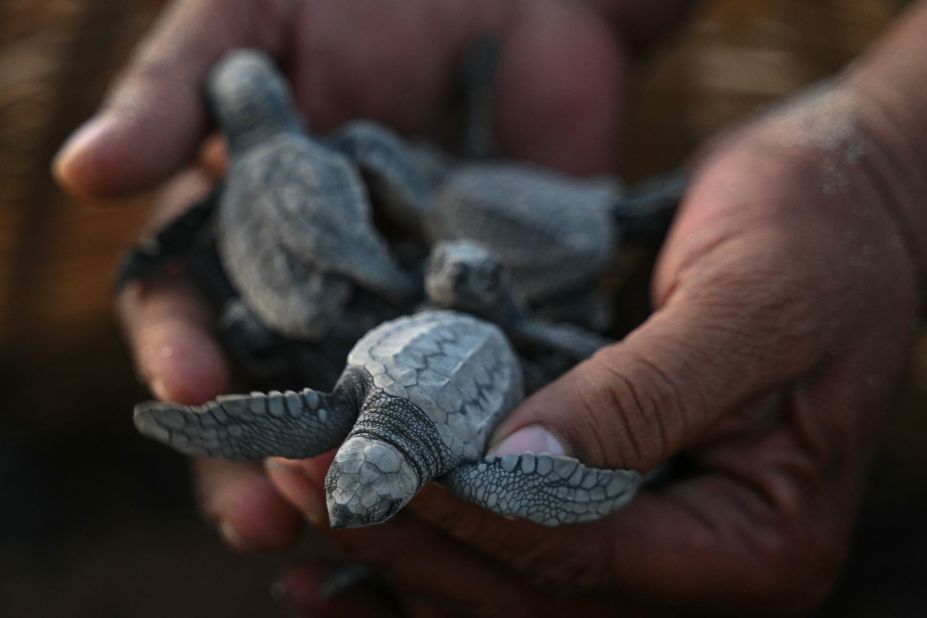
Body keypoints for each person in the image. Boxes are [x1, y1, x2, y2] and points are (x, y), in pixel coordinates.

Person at [53, 0, 927, 614]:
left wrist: (888, 159)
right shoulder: (388, 416)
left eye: (373, 489)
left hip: (475, 321)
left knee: (539, 456)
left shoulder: (454, 456)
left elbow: (554, 449)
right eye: (374, 486)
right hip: (459, 314)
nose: (364, 500)